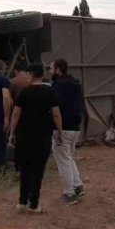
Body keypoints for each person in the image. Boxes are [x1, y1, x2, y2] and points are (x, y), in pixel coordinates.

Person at [9, 63, 63, 214]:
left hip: (24, 135)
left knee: (25, 168)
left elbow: (16, 114)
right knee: (38, 170)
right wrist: (59, 132)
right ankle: (34, 204)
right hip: (43, 136)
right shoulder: (50, 91)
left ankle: (22, 202)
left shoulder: (24, 92)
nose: (26, 76)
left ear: (32, 74)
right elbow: (56, 114)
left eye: (27, 74)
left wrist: (12, 133)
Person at [49, 58, 86, 205]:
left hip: (62, 128)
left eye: (51, 69)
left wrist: (57, 130)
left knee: (63, 160)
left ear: (58, 70)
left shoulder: (57, 86)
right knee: (68, 157)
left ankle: (69, 193)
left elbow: (56, 110)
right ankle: (78, 186)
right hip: (75, 128)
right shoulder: (76, 84)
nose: (50, 72)